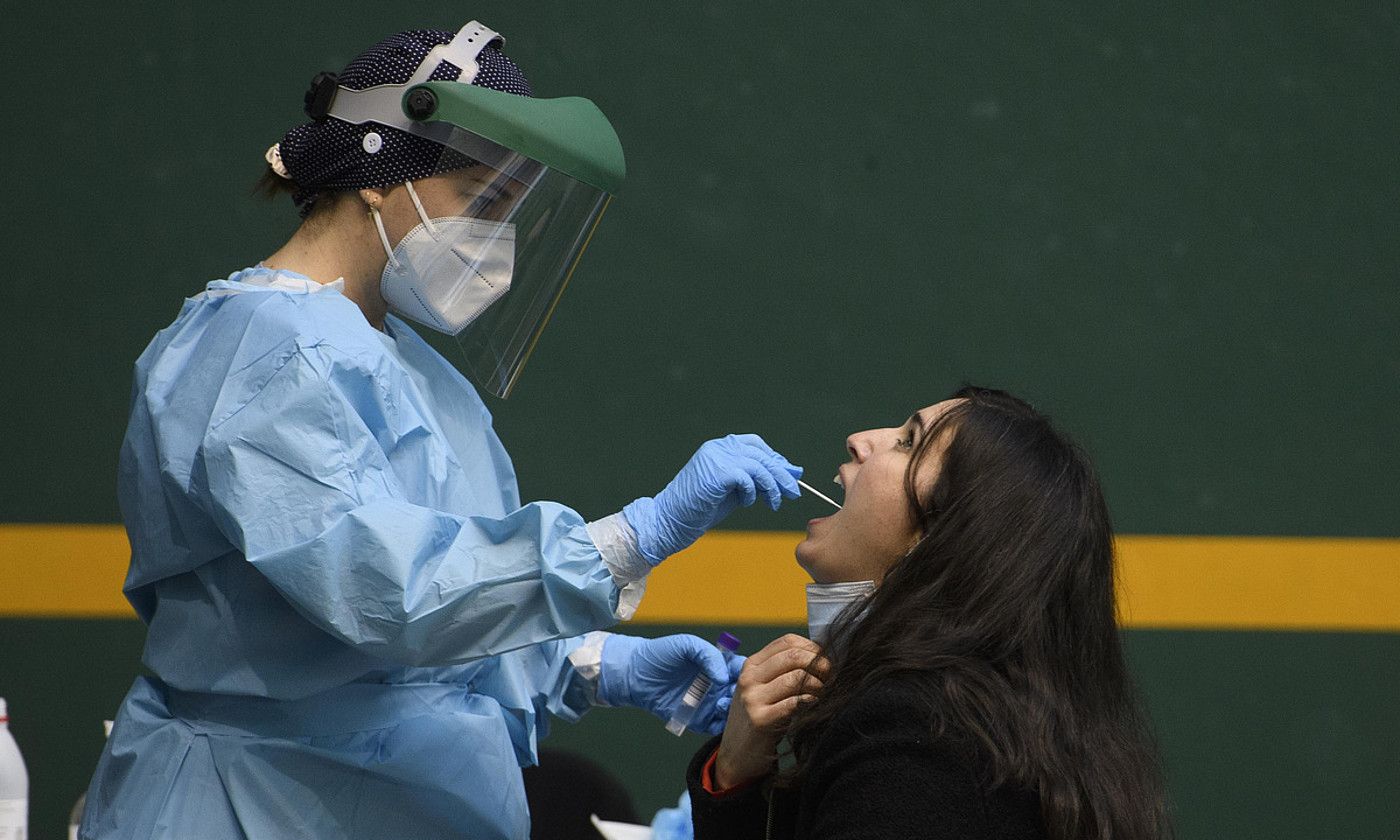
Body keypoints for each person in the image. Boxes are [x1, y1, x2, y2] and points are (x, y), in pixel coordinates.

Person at [80, 21, 800, 840]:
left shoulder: (405, 364)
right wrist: (637, 535)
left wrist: (593, 666)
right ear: (380, 175)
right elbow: (389, 596)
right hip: (251, 806)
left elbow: (426, 631)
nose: (497, 240)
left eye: (513, 212)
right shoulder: (262, 354)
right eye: (484, 202)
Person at [685, 387, 1172, 840]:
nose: (859, 441)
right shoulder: (983, 727)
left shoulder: (915, 735)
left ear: (951, 532)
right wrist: (735, 775)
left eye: (907, 442)